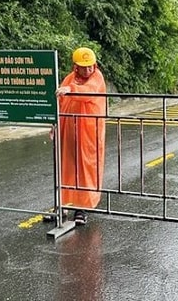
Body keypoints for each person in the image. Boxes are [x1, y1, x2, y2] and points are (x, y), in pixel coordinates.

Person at [54, 47, 107, 225]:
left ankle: (82, 208)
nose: (87, 70)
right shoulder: (69, 78)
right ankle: (62, 205)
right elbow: (60, 101)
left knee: (86, 170)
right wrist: (53, 125)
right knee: (66, 167)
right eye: (83, 67)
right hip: (68, 131)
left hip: (89, 134)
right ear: (75, 66)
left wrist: (70, 89)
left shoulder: (97, 78)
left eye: (90, 66)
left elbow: (88, 91)